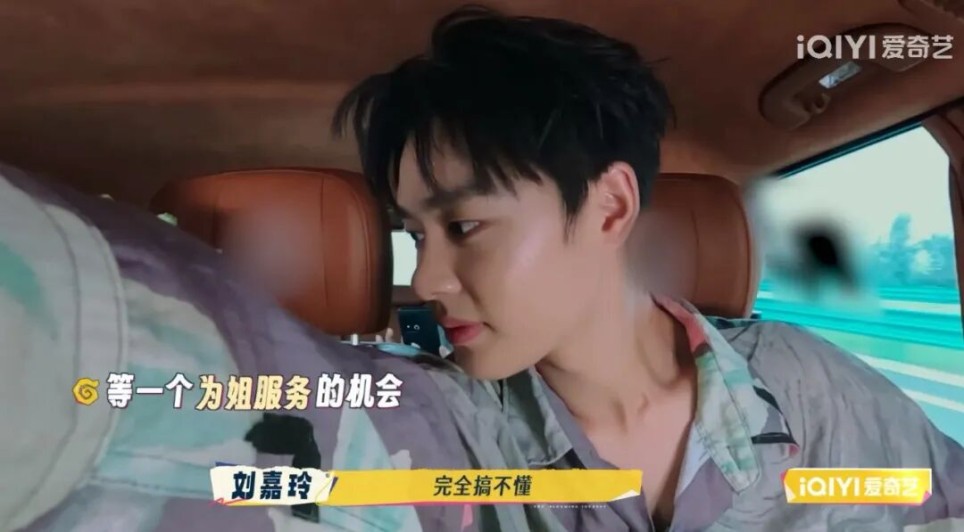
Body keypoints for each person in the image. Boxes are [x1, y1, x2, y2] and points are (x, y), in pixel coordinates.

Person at [1, 6, 962, 532]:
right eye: (413, 234)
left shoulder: (807, 394)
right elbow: (240, 423)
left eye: (463, 225)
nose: (426, 280)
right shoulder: (451, 431)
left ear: (610, 208)